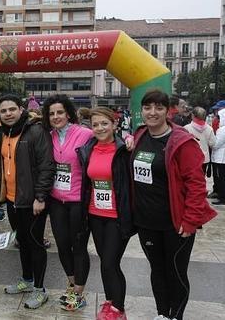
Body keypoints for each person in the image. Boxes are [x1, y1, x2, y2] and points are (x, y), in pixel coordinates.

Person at [131, 90, 216, 320]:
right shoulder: (139, 136)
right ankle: (162, 314)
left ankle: (175, 316)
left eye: (159, 107)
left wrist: (190, 221)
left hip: (175, 223)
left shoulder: (182, 142)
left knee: (175, 273)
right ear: (142, 111)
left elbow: (197, 186)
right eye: (148, 107)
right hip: (146, 222)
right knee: (157, 271)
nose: (153, 112)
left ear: (168, 111)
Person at [0, 94, 55, 310]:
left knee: (35, 243)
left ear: (21, 109)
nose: (8, 114)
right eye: (3, 111)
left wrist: (41, 197)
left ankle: (40, 290)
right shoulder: (4, 133)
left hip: (32, 201)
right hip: (13, 200)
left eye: (12, 109)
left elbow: (46, 165)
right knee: (22, 241)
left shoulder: (35, 131)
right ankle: (27, 280)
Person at [78, 107, 133, 320]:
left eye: (104, 123)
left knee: (110, 262)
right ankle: (111, 301)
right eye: (95, 125)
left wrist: (130, 138)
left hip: (117, 216)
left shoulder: (123, 149)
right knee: (105, 261)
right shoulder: (88, 148)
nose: (100, 128)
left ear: (114, 125)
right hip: (94, 214)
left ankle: (118, 309)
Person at [41, 94, 93, 311]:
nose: (56, 117)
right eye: (51, 113)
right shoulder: (48, 136)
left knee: (78, 246)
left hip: (79, 201)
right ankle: (72, 284)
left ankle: (79, 292)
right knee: (62, 245)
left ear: (69, 113)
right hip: (56, 201)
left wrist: (127, 141)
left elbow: (109, 142)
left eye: (60, 112)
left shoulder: (86, 134)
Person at [184, 107, 216, 198]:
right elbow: (213, 143)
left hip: (191, 159)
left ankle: (191, 195)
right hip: (204, 159)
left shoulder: (186, 128)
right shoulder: (209, 128)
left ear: (193, 115)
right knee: (201, 178)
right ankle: (201, 194)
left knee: (191, 178)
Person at [211, 109, 225, 205]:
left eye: (219, 118)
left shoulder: (222, 130)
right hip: (220, 157)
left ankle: (222, 197)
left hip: (220, 158)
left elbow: (216, 144)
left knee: (221, 178)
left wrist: (209, 141)